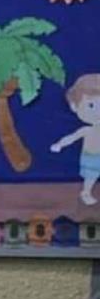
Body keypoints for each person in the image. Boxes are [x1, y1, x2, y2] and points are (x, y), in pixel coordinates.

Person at [51, 73, 100, 205]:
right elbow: (72, 138)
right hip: (92, 157)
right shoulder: (87, 130)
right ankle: (86, 192)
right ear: (74, 106)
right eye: (91, 105)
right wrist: (60, 144)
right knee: (91, 177)